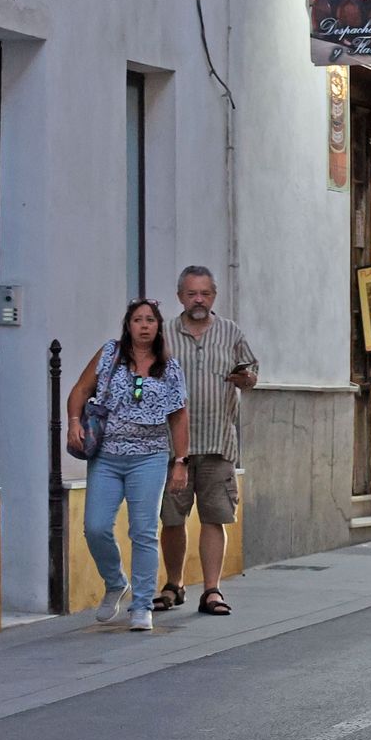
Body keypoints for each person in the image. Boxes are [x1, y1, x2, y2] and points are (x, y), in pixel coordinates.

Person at [66, 300, 190, 631]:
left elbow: (178, 415)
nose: (144, 325)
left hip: (149, 458)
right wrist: (74, 421)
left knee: (144, 531)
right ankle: (115, 581)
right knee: (95, 526)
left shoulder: (170, 367)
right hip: (106, 456)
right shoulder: (110, 354)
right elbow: (80, 389)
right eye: (138, 319)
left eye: (151, 320)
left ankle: (141, 605)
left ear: (159, 327)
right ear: (128, 324)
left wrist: (180, 461)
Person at [158, 266, 258, 616]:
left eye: (205, 293)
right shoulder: (165, 333)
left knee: (214, 516)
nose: (198, 300)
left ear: (214, 296)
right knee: (172, 518)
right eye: (191, 294)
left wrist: (245, 378)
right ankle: (174, 584)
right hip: (174, 448)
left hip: (218, 440)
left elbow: (252, 375)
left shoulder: (231, 332)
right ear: (180, 296)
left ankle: (212, 590)